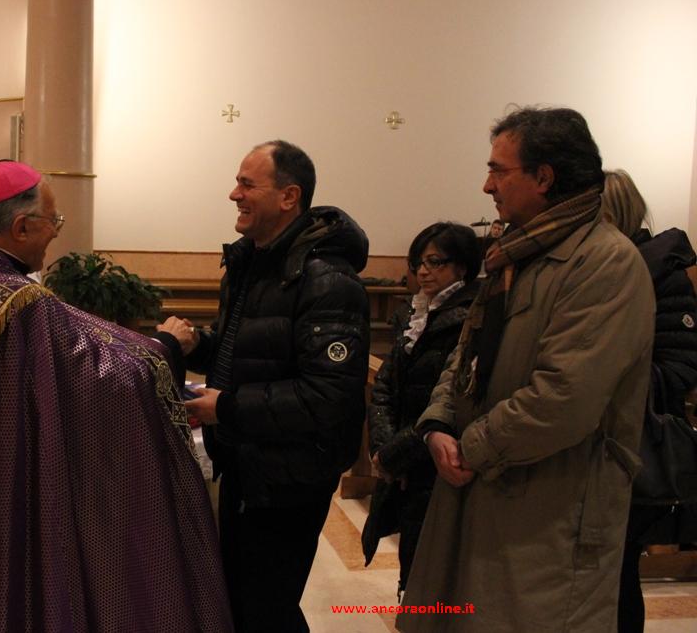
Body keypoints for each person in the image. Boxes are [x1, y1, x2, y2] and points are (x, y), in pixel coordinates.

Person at [0, 160, 232, 632]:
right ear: (21, 226)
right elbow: (100, 371)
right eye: (53, 220)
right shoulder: (16, 300)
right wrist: (166, 346)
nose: (55, 231)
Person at [397, 107, 655, 632]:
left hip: (549, 512)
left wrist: (469, 447)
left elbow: (564, 398)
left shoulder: (605, 262)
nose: (486, 185)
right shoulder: (516, 255)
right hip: (487, 488)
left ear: (544, 177)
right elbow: (465, 356)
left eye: (498, 170)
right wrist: (438, 424)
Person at [159, 140, 370, 632]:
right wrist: (197, 345)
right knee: (243, 602)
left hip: (288, 477)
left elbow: (328, 396)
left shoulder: (327, 280)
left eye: (247, 184)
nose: (234, 194)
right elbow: (248, 351)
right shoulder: (256, 262)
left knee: (266, 610)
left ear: (288, 196)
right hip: (248, 462)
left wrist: (227, 408)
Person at [362, 222, 481, 597]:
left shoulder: (471, 318)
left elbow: (448, 401)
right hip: (406, 457)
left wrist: (396, 454)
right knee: (411, 561)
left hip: (437, 458)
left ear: (462, 266)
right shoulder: (413, 313)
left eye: (435, 262)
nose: (423, 271)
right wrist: (383, 448)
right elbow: (386, 382)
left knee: (434, 568)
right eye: (418, 263)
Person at [602, 169, 697, 633]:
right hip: (595, 443)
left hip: (634, 447)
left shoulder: (660, 271)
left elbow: (680, 368)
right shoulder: (598, 269)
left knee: (616, 572)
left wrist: (607, 380)